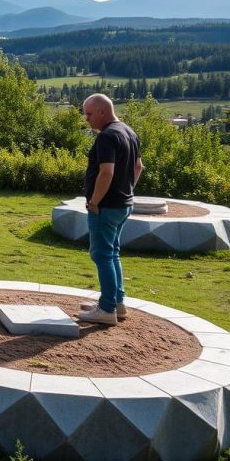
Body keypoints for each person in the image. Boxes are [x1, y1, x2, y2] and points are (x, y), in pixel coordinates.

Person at [78, 93, 144, 326]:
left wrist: (95, 201)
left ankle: (106, 310)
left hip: (105, 207)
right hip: (124, 204)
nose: (86, 118)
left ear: (102, 111)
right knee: (112, 252)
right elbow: (138, 167)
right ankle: (117, 303)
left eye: (88, 113)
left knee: (101, 254)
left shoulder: (107, 136)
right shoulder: (128, 131)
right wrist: (126, 192)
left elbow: (107, 172)